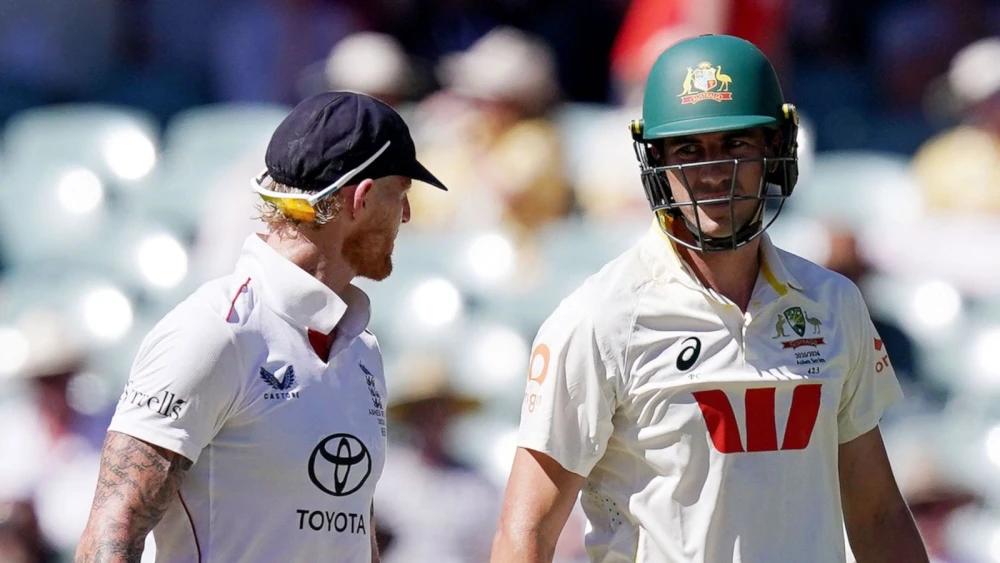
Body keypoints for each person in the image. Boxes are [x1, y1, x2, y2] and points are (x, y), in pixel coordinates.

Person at [491, 35, 927, 562]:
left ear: (775, 149)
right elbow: (527, 532)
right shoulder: (600, 319)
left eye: (736, 144)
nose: (714, 172)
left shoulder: (834, 305)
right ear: (655, 161)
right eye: (689, 149)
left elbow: (877, 513)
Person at [76, 91, 447, 562]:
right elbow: (113, 528)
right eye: (402, 194)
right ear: (364, 197)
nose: (407, 216)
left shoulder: (361, 350)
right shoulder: (215, 331)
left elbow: (351, 534)